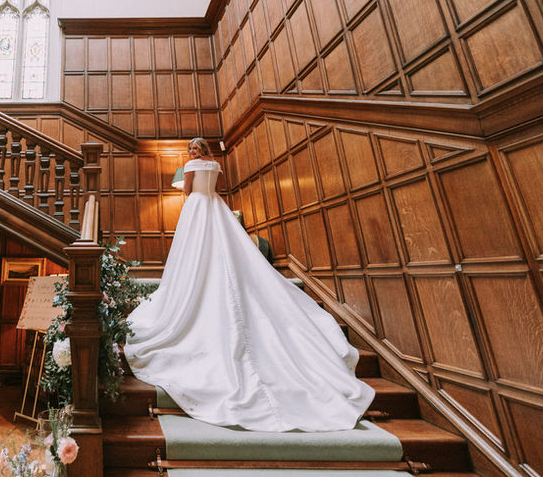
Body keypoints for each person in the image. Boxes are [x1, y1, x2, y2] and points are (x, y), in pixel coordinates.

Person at [123, 137, 374, 432]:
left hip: (196, 209)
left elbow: (188, 191)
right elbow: (216, 188)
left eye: (194, 149)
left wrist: (190, 193)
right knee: (224, 250)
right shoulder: (216, 164)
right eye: (191, 149)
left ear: (198, 151)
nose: (192, 153)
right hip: (216, 207)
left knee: (199, 252)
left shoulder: (189, 166)